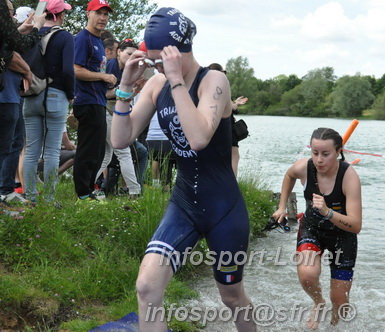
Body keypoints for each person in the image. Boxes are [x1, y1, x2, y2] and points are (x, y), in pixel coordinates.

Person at [111, 7, 255, 331]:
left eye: (161, 59)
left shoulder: (214, 81)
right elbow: (120, 139)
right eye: (152, 60)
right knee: (146, 288)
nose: (156, 66)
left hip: (224, 208)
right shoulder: (156, 85)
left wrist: (176, 81)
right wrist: (124, 87)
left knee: (231, 297)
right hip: (184, 205)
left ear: (180, 50)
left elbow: (199, 137)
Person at [272, 127, 362, 329]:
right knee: (307, 274)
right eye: (315, 153)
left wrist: (328, 212)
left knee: (340, 304)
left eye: (325, 154)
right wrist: (281, 207)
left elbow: (356, 226)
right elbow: (289, 175)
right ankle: (319, 302)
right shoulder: (305, 167)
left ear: (338, 152)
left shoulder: (349, 177)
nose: (319, 159)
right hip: (312, 229)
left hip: (343, 237)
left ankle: (334, 325)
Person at [22, 0, 74, 204]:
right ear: (60, 15)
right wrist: (71, 94)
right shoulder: (65, 37)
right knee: (52, 149)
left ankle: (30, 197)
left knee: (32, 150)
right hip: (55, 96)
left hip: (31, 96)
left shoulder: (31, 35)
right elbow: (69, 71)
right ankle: (49, 199)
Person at [0, 0, 46, 208]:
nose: (9, 17)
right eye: (9, 14)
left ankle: (6, 191)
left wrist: (20, 30)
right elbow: (14, 52)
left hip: (11, 94)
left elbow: (9, 45)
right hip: (5, 96)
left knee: (15, 144)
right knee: (6, 146)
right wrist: (36, 27)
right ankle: (5, 191)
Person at [72, 0, 116, 201]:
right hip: (86, 101)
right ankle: (82, 193)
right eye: (99, 13)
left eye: (106, 14)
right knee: (88, 150)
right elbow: (76, 70)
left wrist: (107, 82)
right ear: (88, 13)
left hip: (98, 100)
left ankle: (89, 190)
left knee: (98, 151)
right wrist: (103, 77)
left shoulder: (99, 40)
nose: (103, 18)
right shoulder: (83, 38)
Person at [96, 38, 142, 198]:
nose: (132, 58)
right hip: (105, 112)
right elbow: (105, 94)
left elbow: (122, 98)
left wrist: (134, 90)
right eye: (129, 54)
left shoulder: (124, 70)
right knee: (123, 152)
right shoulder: (111, 66)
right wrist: (123, 90)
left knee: (107, 155)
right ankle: (134, 191)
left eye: (135, 55)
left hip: (112, 113)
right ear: (119, 52)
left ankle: (88, 188)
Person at [207, 63, 247, 177]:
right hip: (226, 127)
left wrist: (234, 102)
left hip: (211, 126)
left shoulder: (204, 87)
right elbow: (230, 108)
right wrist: (236, 104)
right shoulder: (222, 86)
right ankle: (232, 185)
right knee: (234, 156)